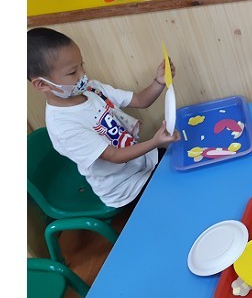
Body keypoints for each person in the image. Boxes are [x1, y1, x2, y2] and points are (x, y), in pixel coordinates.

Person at [27, 27, 181, 208]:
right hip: (125, 187)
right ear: (42, 84)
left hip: (143, 161)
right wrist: (155, 142)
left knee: (183, 165)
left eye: (82, 65)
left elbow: (140, 100)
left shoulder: (92, 89)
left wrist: (158, 82)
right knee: (175, 199)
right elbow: (114, 155)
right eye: (72, 72)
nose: (83, 75)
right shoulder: (64, 127)